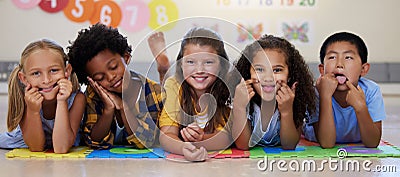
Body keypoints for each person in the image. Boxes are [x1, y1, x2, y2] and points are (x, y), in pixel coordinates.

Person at [67, 23, 167, 149]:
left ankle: (164, 70)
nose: (110, 77)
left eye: (114, 67)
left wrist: (123, 108)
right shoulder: (93, 94)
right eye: (100, 78)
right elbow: (92, 141)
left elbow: (146, 141)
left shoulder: (155, 94)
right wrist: (108, 110)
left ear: (126, 57)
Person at [159, 27, 232, 161]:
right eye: (191, 62)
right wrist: (184, 148)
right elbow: (166, 135)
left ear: (221, 65)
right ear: (181, 64)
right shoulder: (174, 85)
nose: (199, 70)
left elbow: (225, 138)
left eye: (208, 62)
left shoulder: (226, 88)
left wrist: (200, 139)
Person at [0, 39, 86, 153]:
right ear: (24, 79)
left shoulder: (77, 99)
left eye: (54, 70)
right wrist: (33, 110)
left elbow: (61, 148)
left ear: (67, 70)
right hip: (27, 142)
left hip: (63, 141)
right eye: (36, 73)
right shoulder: (24, 98)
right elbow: (36, 147)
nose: (46, 80)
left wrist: (62, 102)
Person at [232, 34, 316, 150]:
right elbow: (243, 145)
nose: (268, 78)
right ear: (248, 73)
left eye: (277, 70)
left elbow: (289, 145)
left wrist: (286, 111)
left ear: (290, 75)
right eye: (260, 69)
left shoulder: (295, 99)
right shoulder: (242, 98)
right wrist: (239, 107)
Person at [304, 32, 386, 148]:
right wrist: (325, 96)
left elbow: (372, 143)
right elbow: (326, 144)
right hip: (319, 137)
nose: (339, 64)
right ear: (322, 70)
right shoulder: (316, 92)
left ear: (363, 69)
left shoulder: (371, 91)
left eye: (348, 57)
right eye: (332, 57)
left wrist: (361, 107)